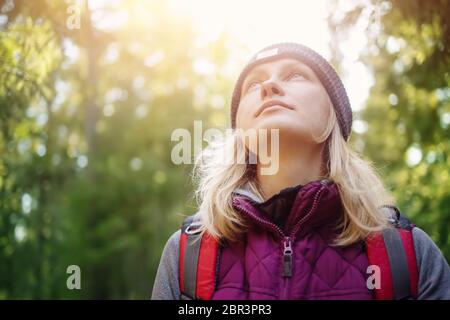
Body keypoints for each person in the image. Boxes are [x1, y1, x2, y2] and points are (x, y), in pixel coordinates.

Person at [151, 42, 450, 300]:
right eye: (253, 85)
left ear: (331, 116)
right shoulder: (187, 256)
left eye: (295, 75)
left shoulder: (407, 253)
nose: (269, 87)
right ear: (240, 129)